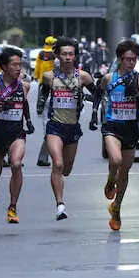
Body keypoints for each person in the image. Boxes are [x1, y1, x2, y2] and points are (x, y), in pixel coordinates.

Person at [93, 40, 139, 231]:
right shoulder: (109, 78)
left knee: (125, 171)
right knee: (115, 160)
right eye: (127, 59)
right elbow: (97, 95)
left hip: (130, 128)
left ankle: (116, 206)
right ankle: (111, 179)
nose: (131, 63)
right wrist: (94, 115)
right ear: (119, 59)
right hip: (112, 125)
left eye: (134, 59)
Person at [37, 38, 95, 222]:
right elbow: (42, 97)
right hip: (54, 126)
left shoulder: (83, 77)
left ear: (75, 56)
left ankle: (60, 188)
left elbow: (99, 95)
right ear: (57, 55)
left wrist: (93, 112)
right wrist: (38, 116)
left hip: (73, 128)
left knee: (67, 170)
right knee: (58, 164)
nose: (68, 58)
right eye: (64, 54)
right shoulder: (49, 77)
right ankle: (60, 205)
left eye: (71, 54)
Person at [0, 48, 33, 224]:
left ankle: (12, 207)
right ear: (4, 67)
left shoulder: (23, 85)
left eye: (20, 64)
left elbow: (23, 105)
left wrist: (29, 121)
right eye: (14, 65)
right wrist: (0, 108)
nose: (18, 68)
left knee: (16, 164)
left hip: (17, 134)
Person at [32, 36, 58, 168]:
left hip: (43, 82)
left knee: (50, 131)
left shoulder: (41, 53)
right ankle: (50, 158)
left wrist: (36, 76)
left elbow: (37, 66)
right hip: (53, 86)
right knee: (52, 132)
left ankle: (50, 157)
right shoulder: (56, 55)